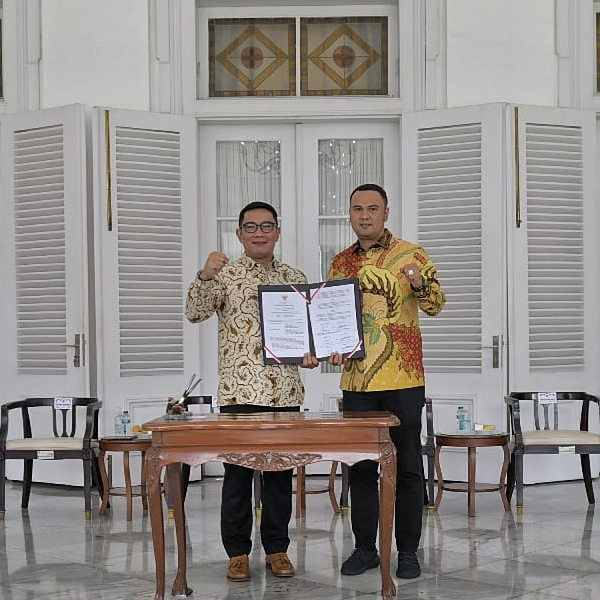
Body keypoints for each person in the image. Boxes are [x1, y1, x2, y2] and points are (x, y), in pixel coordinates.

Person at [185, 201, 318, 582]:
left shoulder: (295, 277)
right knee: (237, 479)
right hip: (239, 393)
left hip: (285, 394)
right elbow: (194, 312)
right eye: (251, 226)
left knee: (279, 479)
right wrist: (205, 275)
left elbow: (307, 335)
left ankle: (277, 549)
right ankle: (237, 553)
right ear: (239, 233)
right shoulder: (224, 275)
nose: (259, 233)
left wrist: (311, 354)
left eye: (266, 226)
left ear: (278, 231)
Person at [327, 183, 445, 580]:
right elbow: (333, 319)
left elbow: (436, 305)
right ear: (350, 214)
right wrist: (330, 346)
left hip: (403, 378)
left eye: (372, 208)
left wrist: (419, 285)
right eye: (357, 209)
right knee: (360, 468)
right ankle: (365, 549)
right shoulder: (339, 263)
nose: (365, 215)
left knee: (407, 465)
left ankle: (408, 551)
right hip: (357, 381)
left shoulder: (413, 254)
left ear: (386, 213)